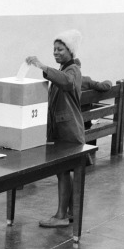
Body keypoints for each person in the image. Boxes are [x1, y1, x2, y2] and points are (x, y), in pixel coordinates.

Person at [26, 29, 85, 228]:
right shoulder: (65, 69)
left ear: (70, 50)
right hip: (63, 131)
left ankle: (60, 216)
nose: (56, 52)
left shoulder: (72, 71)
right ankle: (69, 212)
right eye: (54, 49)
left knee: (62, 172)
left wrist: (43, 66)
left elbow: (67, 82)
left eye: (60, 49)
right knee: (64, 171)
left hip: (68, 132)